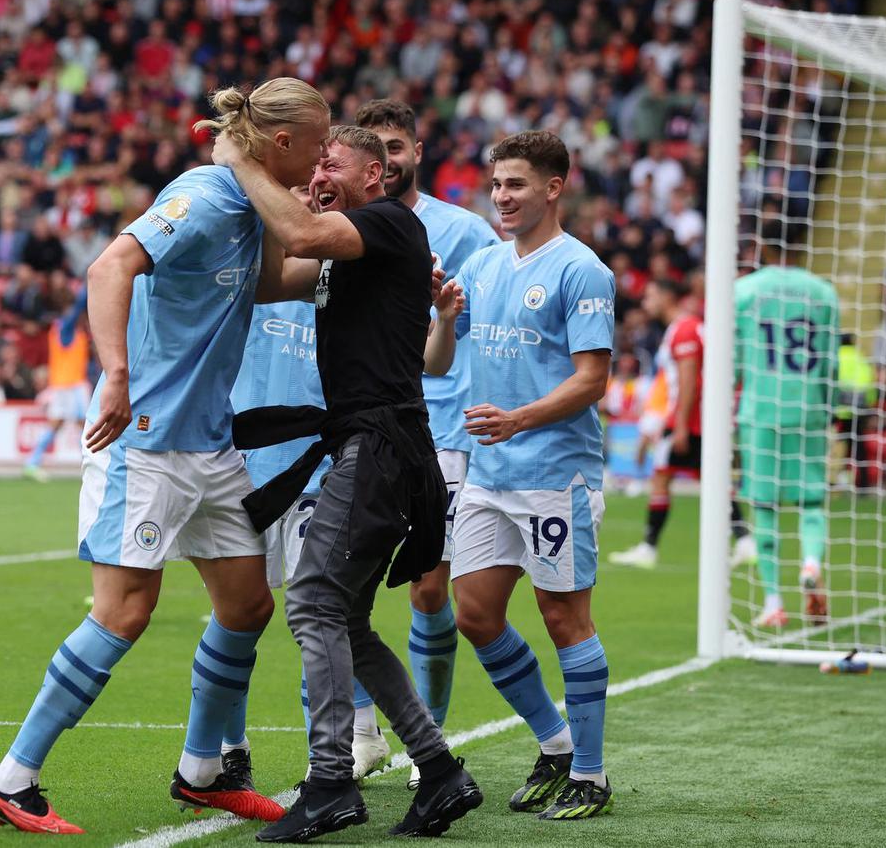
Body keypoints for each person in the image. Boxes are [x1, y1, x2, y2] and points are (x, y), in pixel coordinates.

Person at [0, 78, 331, 835]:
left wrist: (359, 271)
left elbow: (272, 281)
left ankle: (202, 770)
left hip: (208, 443)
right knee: (125, 611)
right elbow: (110, 266)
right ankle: (14, 777)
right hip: (146, 441)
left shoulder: (250, 204)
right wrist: (115, 373)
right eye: (319, 141)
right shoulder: (207, 194)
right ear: (280, 143)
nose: (325, 154)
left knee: (246, 604)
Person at [216, 125, 482, 842]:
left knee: (310, 599)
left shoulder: (392, 221)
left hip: (379, 446)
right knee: (349, 621)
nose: (320, 170)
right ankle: (441, 771)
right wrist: (289, 200)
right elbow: (274, 277)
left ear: (375, 174)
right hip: (377, 446)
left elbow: (299, 232)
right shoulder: (349, 242)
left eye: (332, 163)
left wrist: (243, 160)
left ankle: (330, 779)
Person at [424, 131, 615, 819]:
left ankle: (591, 776)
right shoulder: (481, 264)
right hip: (489, 472)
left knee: (564, 616)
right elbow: (439, 363)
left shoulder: (581, 270)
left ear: (554, 188)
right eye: (496, 185)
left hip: (554, 474)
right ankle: (556, 742)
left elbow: (593, 380)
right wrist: (445, 319)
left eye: (516, 185)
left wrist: (519, 418)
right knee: (474, 613)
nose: (501, 197)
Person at [355, 99, 502, 790]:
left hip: (441, 426)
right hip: (361, 423)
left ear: (417, 146)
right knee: (341, 587)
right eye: (373, 148)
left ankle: (427, 737)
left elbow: (484, 326)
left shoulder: (465, 231)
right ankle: (359, 730)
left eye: (396, 144)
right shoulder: (345, 226)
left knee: (426, 588)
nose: (387, 157)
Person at [229, 186, 391, 785]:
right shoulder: (251, 269)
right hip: (247, 468)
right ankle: (226, 750)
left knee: (320, 616)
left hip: (320, 466)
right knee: (237, 616)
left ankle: (344, 748)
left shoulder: (342, 268)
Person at [609, 279, 755, 569]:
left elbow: (689, 379)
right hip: (699, 419)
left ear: (666, 295)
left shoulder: (684, 329)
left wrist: (680, 426)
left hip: (689, 420)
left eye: (650, 295)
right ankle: (745, 541)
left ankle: (649, 548)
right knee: (711, 481)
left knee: (662, 475)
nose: (645, 302)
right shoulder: (684, 328)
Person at [735, 227, 839, 626]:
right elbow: (830, 359)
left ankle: (774, 602)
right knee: (811, 501)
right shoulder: (823, 292)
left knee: (765, 505)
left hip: (761, 408)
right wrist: (826, 409)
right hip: (809, 406)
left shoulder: (745, 291)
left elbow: (733, 358)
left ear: (762, 247)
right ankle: (811, 563)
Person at [24, 287, 91, 482]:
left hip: (64, 385)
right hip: (70, 386)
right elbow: (77, 309)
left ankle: (32, 462)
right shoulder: (65, 329)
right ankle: (89, 466)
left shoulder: (66, 330)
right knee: (84, 426)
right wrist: (86, 289)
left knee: (58, 424)